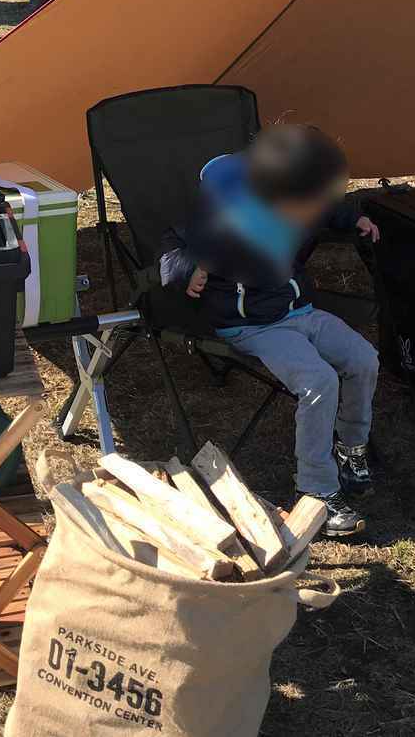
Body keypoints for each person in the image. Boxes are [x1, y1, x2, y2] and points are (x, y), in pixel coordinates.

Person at [160, 124, 381, 538]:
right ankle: (317, 493)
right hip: (251, 324)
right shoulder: (222, 207)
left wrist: (356, 217)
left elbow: (330, 208)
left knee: (363, 358)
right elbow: (172, 247)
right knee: (319, 381)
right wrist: (188, 270)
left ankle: (351, 449)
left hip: (299, 309)